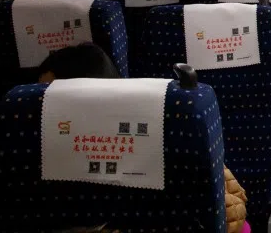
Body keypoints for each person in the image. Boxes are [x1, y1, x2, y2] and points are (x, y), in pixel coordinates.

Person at [39, 43, 250, 232]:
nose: (38, 108)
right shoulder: (35, 157)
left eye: (47, 101)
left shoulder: (181, 146)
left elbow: (232, 218)